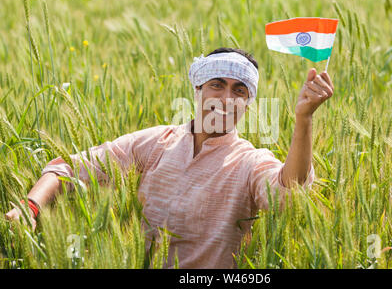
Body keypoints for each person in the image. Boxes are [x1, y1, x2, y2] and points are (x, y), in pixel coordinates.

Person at [5, 47, 334, 268]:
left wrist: (303, 121)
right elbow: (69, 167)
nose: (226, 98)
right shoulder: (156, 143)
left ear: (248, 104)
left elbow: (288, 196)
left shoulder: (249, 162)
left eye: (239, 90)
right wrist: (30, 207)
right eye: (217, 84)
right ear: (198, 89)